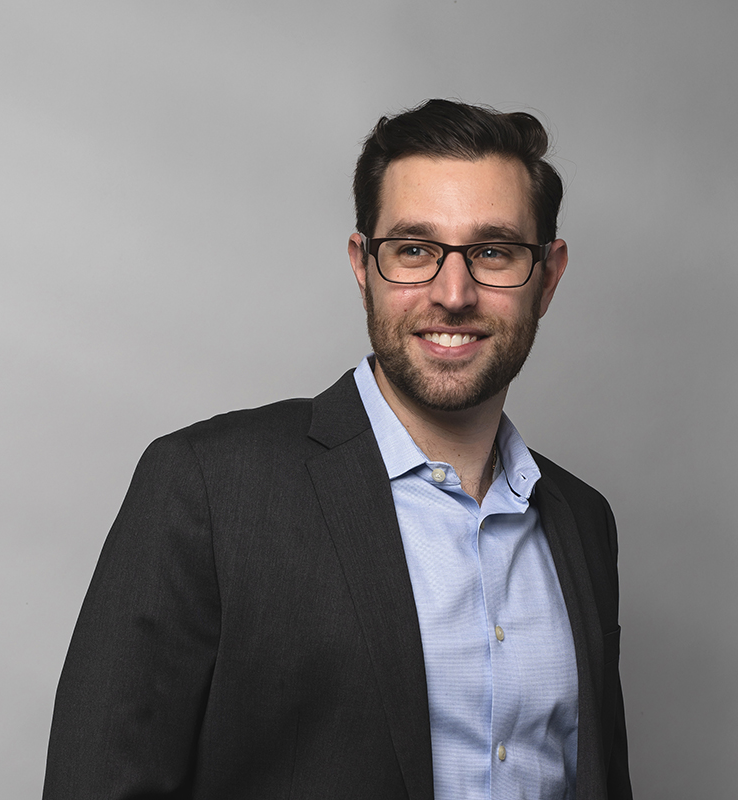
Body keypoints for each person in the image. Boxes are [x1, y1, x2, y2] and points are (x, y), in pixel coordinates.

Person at [43, 99, 632, 800]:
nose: (453, 293)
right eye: (414, 250)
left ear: (548, 275)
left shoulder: (582, 522)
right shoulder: (210, 488)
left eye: (493, 252)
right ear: (363, 264)